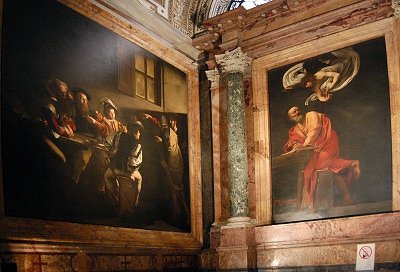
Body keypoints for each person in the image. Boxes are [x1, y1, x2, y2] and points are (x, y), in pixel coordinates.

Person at [284, 106, 361, 209]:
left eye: (298, 110)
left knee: (317, 165)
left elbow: (314, 133)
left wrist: (303, 145)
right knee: (330, 169)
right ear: (291, 118)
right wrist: (296, 145)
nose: (298, 112)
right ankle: (348, 196)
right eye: (294, 112)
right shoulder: (296, 129)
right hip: (319, 148)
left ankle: (351, 164)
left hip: (328, 140)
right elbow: (296, 141)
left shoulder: (311, 115)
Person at [283, 47, 360, 105]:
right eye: (306, 84)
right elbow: (320, 97)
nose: (307, 85)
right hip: (335, 71)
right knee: (347, 64)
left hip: (335, 68)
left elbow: (336, 74)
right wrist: (326, 99)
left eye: (306, 82)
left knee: (347, 61)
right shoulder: (315, 87)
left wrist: (332, 84)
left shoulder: (319, 74)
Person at [105, 121, 144, 208]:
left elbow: (109, 144)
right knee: (140, 179)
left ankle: (115, 201)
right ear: (135, 132)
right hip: (128, 172)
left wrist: (113, 159)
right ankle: (136, 201)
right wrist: (130, 173)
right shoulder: (137, 145)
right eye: (138, 132)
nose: (139, 134)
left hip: (115, 169)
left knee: (107, 177)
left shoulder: (119, 136)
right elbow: (134, 163)